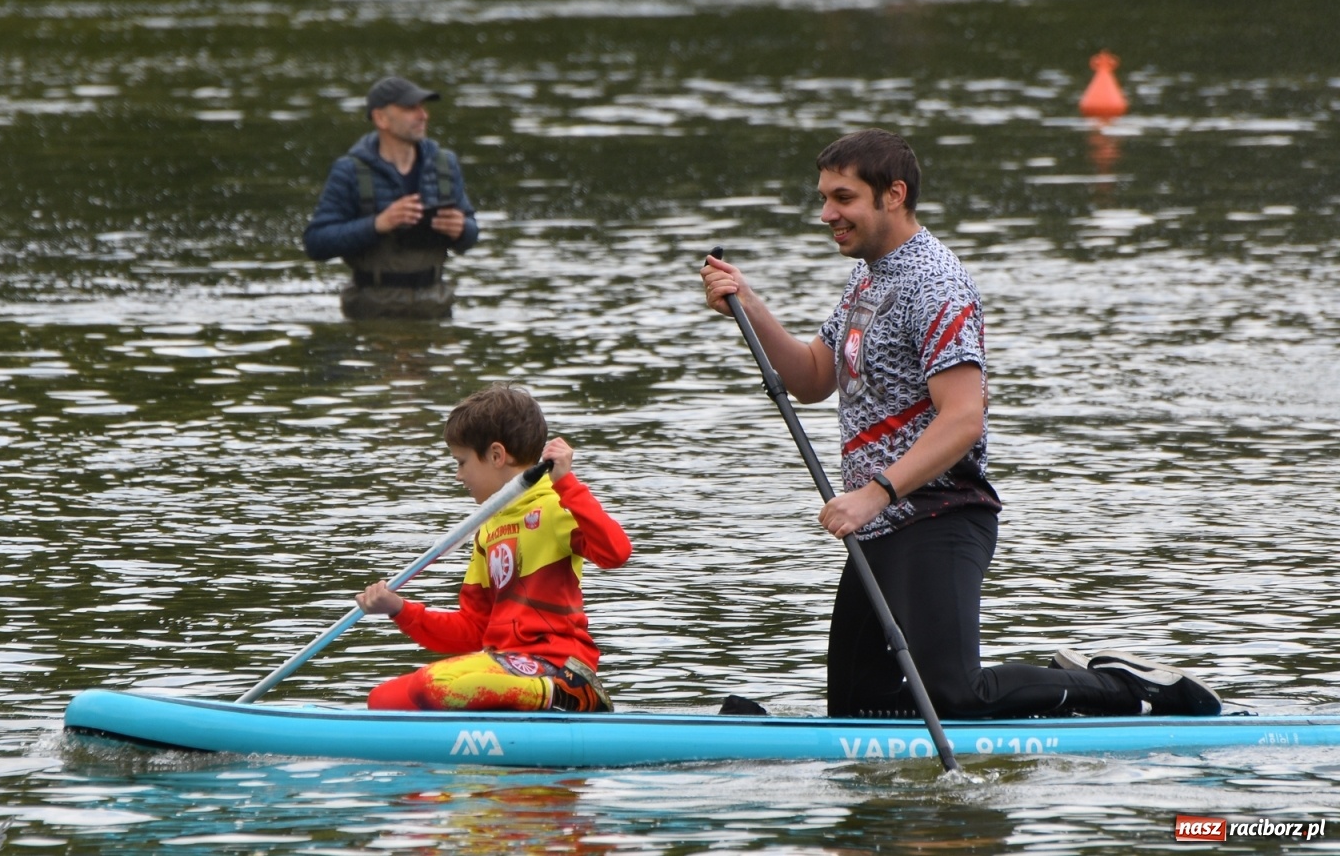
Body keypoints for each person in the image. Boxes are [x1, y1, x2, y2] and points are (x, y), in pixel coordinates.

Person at [699, 128, 1221, 719]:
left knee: (953, 694)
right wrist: (749, 302)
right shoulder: (868, 277)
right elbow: (815, 376)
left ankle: (1127, 689)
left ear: (892, 194)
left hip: (939, 515)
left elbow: (964, 418)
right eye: (824, 198)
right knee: (858, 707)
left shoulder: (937, 283)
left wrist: (874, 494)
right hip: (879, 527)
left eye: (842, 199)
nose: (826, 214)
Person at [355, 384, 632, 712]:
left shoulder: (556, 507)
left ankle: (572, 695)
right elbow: (473, 630)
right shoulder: (489, 529)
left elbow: (617, 552)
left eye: (461, 462)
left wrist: (567, 484)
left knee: (437, 686)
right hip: (505, 663)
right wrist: (399, 608)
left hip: (558, 665)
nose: (458, 475)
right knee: (384, 700)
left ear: (497, 456)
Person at [303, 76, 478, 320]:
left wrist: (461, 229)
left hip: (435, 309)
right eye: (410, 108)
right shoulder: (350, 170)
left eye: (423, 107)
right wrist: (378, 224)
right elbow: (316, 243)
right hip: (371, 313)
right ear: (380, 118)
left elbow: (471, 235)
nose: (423, 115)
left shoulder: (445, 164)